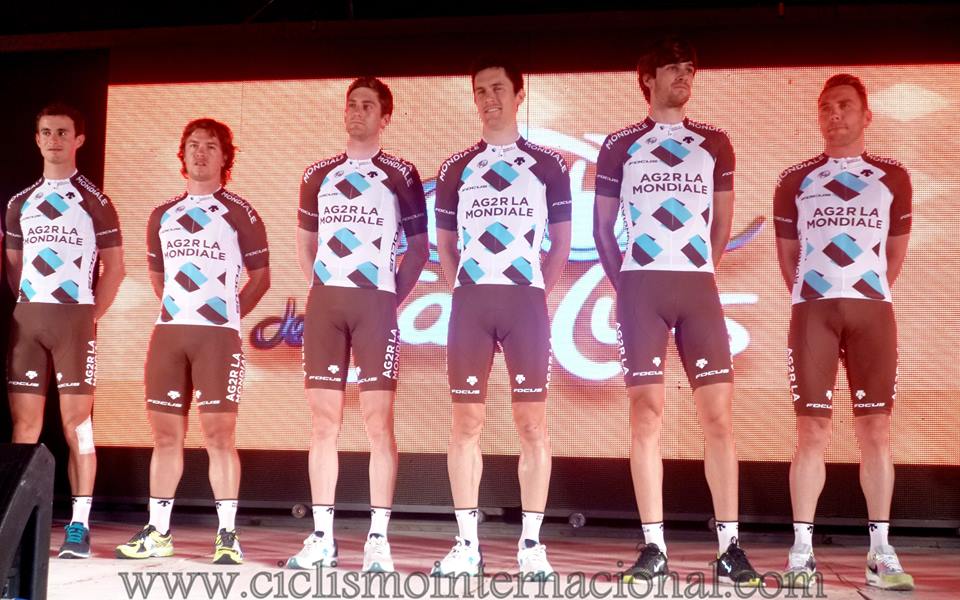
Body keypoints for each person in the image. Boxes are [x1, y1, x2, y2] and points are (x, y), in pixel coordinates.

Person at [592, 37, 760, 586]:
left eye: (689, 68)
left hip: (696, 288)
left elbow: (722, 223)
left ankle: (730, 548)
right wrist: (627, 285)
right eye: (672, 68)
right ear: (648, 80)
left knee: (719, 418)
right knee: (646, 414)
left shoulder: (714, 143)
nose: (684, 76)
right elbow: (602, 227)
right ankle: (654, 547)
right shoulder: (621, 144)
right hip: (640, 288)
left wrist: (700, 271)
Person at [432, 57, 572, 579]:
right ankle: (467, 546)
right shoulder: (456, 167)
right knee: (465, 424)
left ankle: (531, 547)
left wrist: (535, 294)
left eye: (497, 89)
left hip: (524, 303)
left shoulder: (548, 165)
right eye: (480, 91)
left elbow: (561, 242)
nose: (489, 98)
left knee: (531, 424)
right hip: (471, 304)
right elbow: (446, 244)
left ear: (519, 95)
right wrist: (462, 291)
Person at [774, 73, 914, 591]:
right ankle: (801, 553)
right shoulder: (795, 179)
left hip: (872, 312)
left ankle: (880, 552)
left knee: (875, 430)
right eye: (826, 107)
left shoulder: (892, 177)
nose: (835, 114)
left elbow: (893, 255)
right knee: (811, 431)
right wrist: (819, 297)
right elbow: (789, 257)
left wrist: (861, 292)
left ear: (866, 115)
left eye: (845, 105)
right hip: (813, 312)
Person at [286, 77, 428, 573]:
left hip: (377, 305)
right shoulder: (318, 173)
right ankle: (322, 537)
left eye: (368, 106)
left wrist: (388, 300)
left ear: (385, 118)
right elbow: (306, 243)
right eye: (352, 104)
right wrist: (325, 288)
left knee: (377, 423)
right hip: (327, 304)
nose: (357, 111)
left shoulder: (401, 174)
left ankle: (378, 540)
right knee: (323, 422)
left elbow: (419, 249)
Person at [114, 118, 270, 565]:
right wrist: (182, 314)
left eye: (211, 146)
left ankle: (227, 535)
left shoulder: (240, 212)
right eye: (193, 145)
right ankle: (158, 532)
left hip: (218, 338)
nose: (200, 152)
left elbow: (261, 278)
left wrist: (226, 317)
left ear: (225, 157)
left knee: (219, 436)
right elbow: (159, 279)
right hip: (169, 335)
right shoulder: (162, 215)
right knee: (166, 437)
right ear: (182, 154)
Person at [5, 102, 125, 559]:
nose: (53, 139)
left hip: (75, 321)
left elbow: (115, 268)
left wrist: (89, 317)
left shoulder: (95, 201)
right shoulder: (19, 203)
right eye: (46, 132)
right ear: (36, 139)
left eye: (62, 132)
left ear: (79, 140)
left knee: (78, 426)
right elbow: (14, 268)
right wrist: (32, 306)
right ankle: (15, 523)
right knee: (24, 425)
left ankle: (79, 525)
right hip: (29, 322)